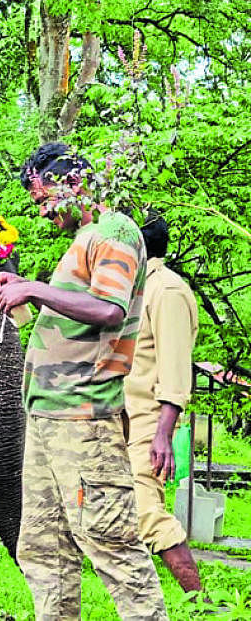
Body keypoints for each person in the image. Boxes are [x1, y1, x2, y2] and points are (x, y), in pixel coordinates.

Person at [0, 143, 167, 621]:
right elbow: (71, 320)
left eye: (43, 198)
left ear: (73, 183)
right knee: (44, 549)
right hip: (49, 417)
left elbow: (109, 311)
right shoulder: (87, 237)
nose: (42, 211)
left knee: (111, 543)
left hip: (83, 421)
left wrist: (35, 287)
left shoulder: (113, 231)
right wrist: (21, 286)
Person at [124, 211, 203, 592]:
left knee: (148, 515)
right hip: (121, 419)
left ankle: (202, 604)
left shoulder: (167, 290)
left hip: (149, 422)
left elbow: (175, 371)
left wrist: (162, 435)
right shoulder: (135, 287)